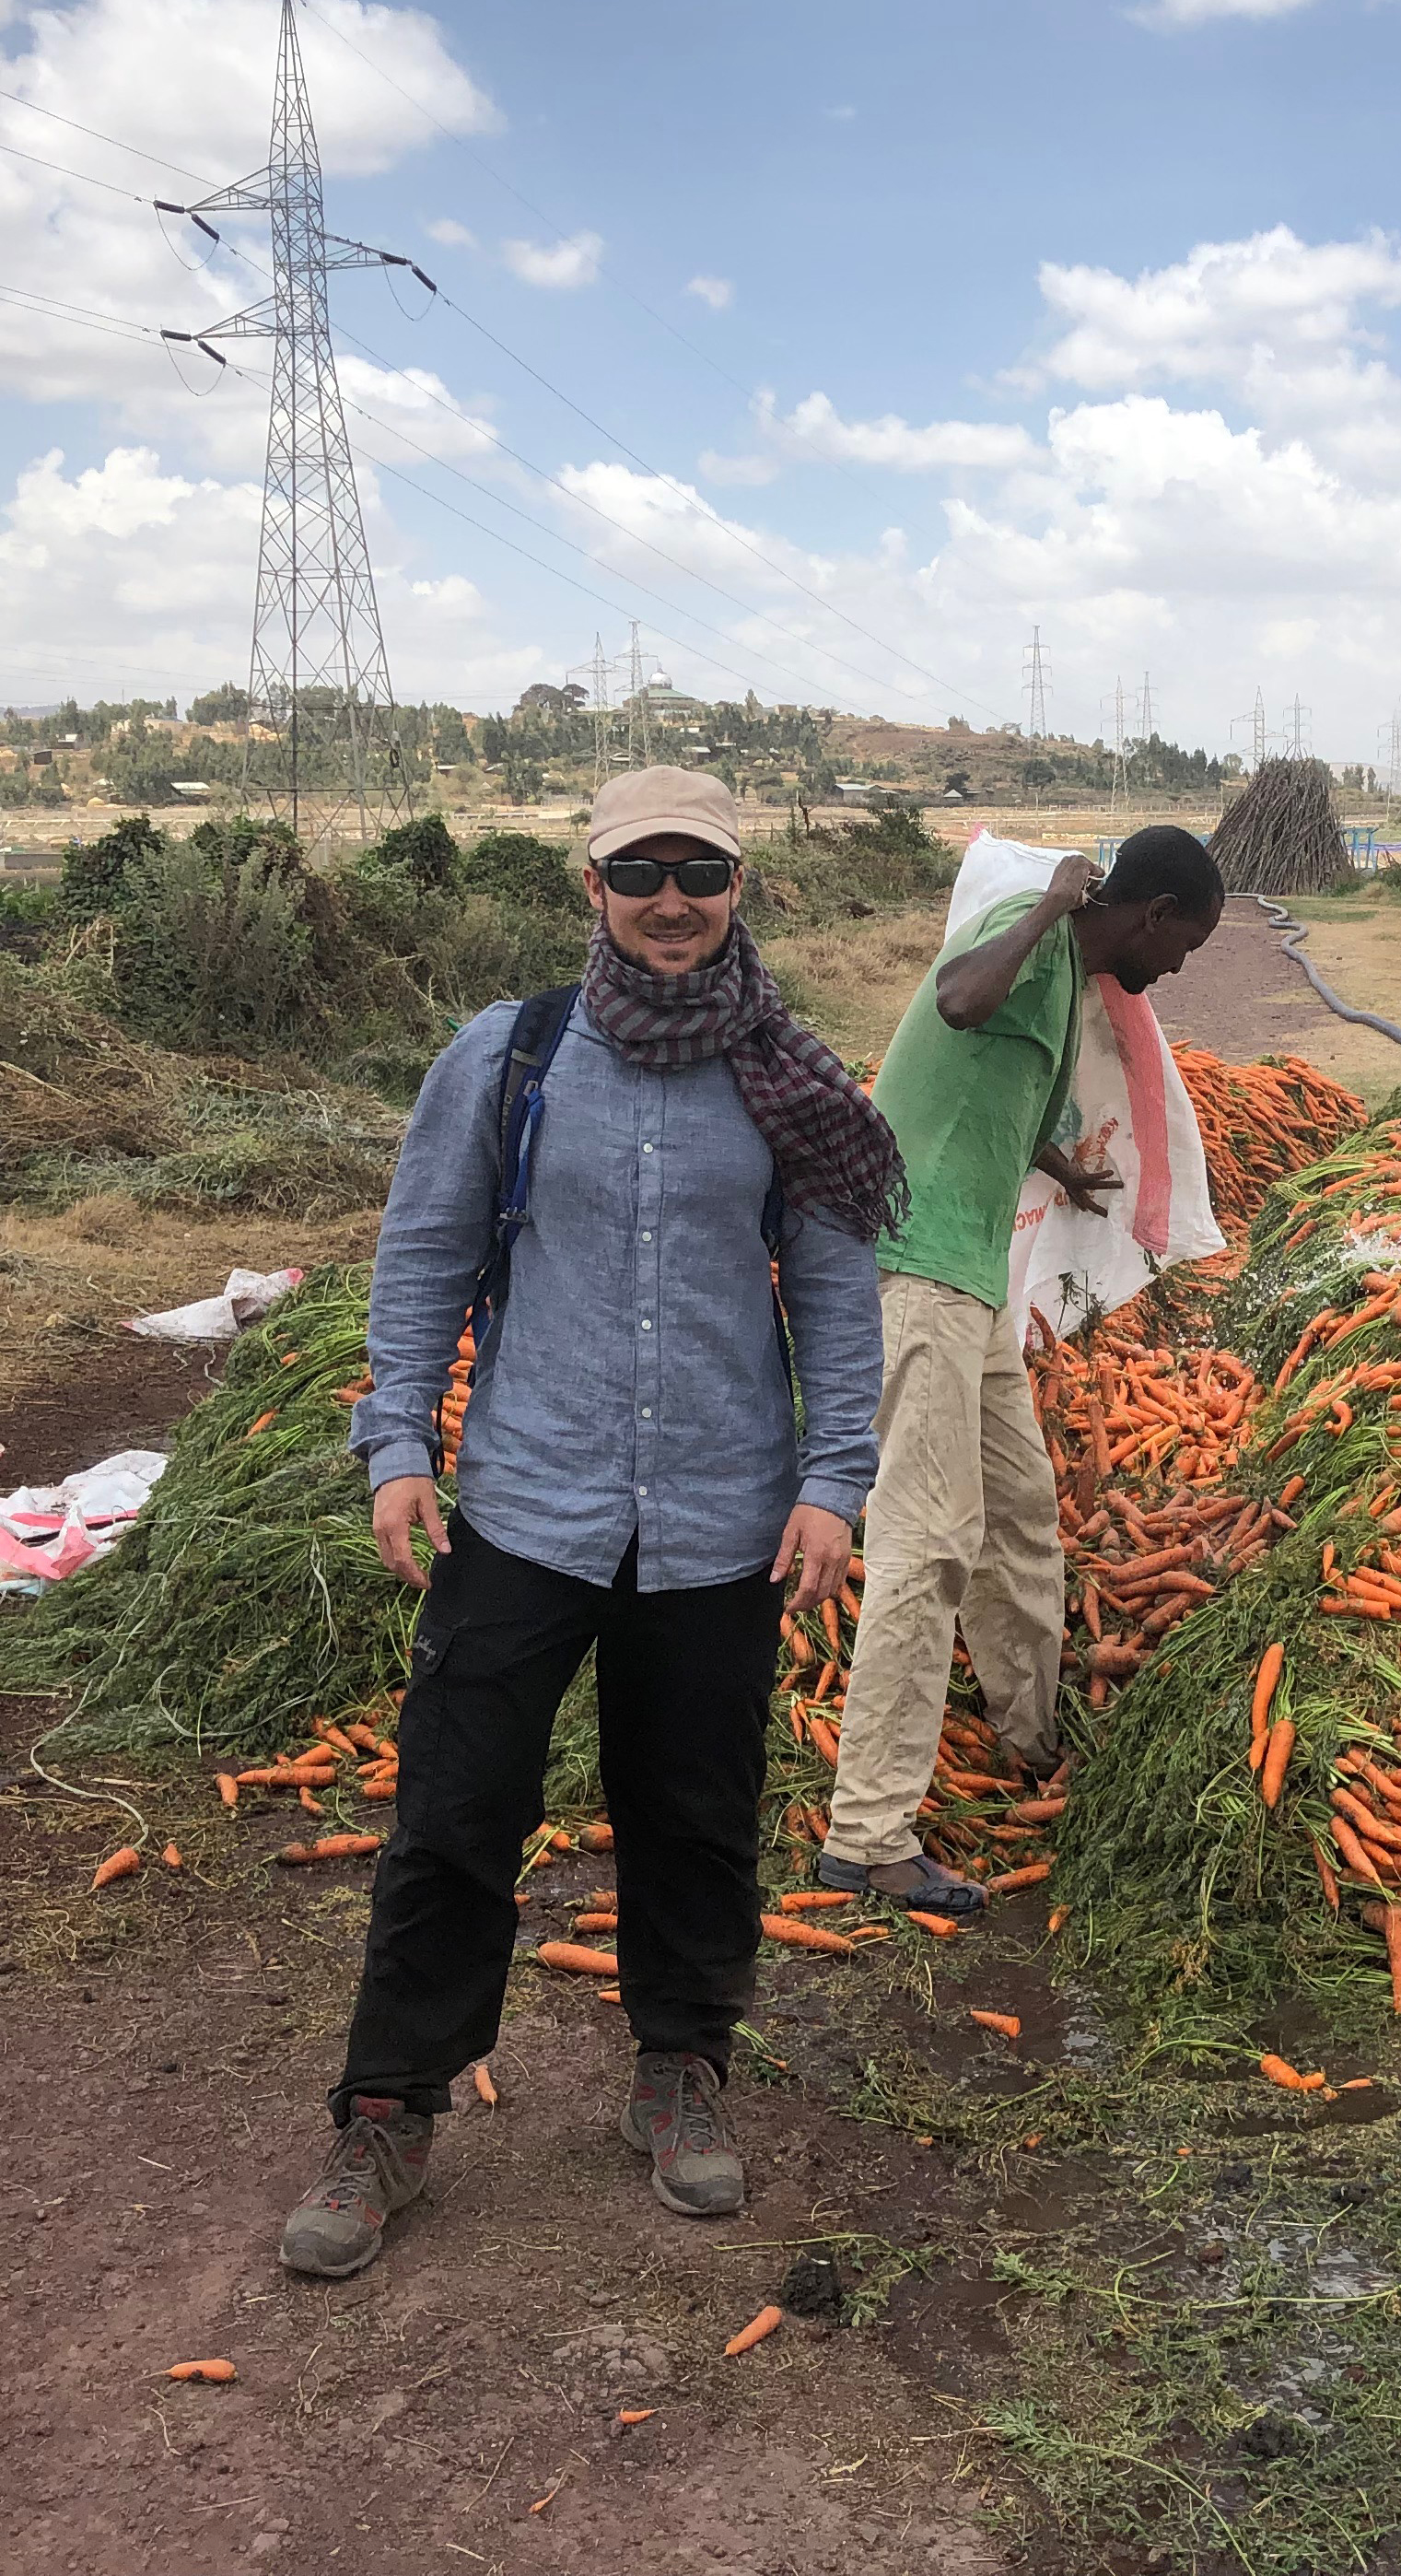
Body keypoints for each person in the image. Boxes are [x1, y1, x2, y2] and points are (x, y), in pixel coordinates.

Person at [281, 767, 898, 2279]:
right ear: (592, 886)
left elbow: (832, 1291)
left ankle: (680, 2067)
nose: (672, 896)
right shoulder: (510, 1055)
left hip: (717, 1511)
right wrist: (395, 1444)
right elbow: (424, 1247)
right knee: (452, 1808)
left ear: (740, 884)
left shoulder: (787, 1077)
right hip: (525, 1500)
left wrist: (833, 1481)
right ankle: (386, 2109)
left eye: (701, 869)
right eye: (642, 870)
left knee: (693, 1808)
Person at [818, 825, 1223, 1914]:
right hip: (912, 1266)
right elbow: (958, 1004)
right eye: (1186, 942)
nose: (1180, 967)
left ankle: (1029, 1741)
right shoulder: (1027, 939)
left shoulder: (1067, 991)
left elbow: (991, 1088)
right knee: (928, 1535)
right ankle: (867, 1834)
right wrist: (1048, 903)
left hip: (972, 1270)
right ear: (1151, 914)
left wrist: (1061, 1169)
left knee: (1022, 1512)